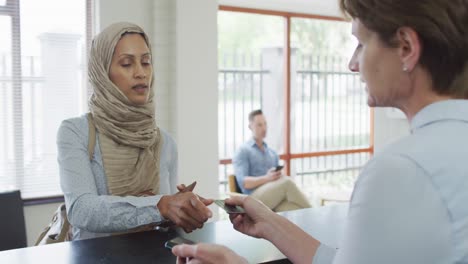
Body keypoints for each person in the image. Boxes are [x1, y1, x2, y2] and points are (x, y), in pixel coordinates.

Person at [172, 0, 468, 263]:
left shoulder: (400, 170)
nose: (353, 64)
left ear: (406, 48)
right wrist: (270, 224)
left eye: (361, 44)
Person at [57, 22, 212, 241]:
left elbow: (161, 219)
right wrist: (160, 205)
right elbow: (82, 209)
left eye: (146, 62)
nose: (141, 73)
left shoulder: (164, 142)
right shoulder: (75, 132)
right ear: (103, 73)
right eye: (127, 64)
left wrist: (181, 210)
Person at [232, 109, 311, 212]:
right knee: (287, 182)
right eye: (259, 125)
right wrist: (267, 178)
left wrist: (277, 175)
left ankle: (314, 219)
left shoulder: (272, 153)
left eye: (265, 124)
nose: (264, 128)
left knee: (294, 209)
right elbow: (244, 183)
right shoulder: (243, 150)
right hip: (252, 197)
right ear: (250, 127)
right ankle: (318, 214)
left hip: (272, 196)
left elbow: (276, 180)